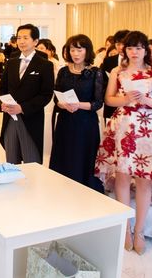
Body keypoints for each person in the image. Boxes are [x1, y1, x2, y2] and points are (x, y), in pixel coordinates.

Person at [95, 31, 152, 254]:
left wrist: (146, 100)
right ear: (124, 50)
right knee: (122, 177)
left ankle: (139, 231)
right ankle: (126, 228)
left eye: (138, 48)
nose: (134, 52)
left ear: (145, 50)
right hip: (123, 127)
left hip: (148, 129)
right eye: (130, 48)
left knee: (144, 181)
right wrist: (126, 99)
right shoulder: (117, 72)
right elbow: (109, 100)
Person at [49, 34, 104, 191]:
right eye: (72, 50)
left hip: (86, 123)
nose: (75, 54)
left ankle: (84, 192)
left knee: (83, 158)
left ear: (87, 51)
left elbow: (97, 103)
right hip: (65, 121)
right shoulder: (63, 71)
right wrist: (62, 104)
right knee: (64, 155)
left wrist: (78, 105)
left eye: (79, 50)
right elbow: (56, 97)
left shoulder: (95, 72)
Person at [0, 24, 54, 164]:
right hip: (10, 118)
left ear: (35, 41)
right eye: (19, 38)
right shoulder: (11, 62)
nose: (21, 41)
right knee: (11, 159)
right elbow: (2, 89)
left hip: (31, 119)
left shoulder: (45, 65)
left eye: (25, 38)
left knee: (31, 160)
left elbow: (46, 94)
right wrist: (2, 103)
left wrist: (22, 108)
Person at [101, 29, 130, 122]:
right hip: (112, 108)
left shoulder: (138, 61)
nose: (121, 47)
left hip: (131, 107)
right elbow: (102, 82)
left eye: (123, 44)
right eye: (118, 44)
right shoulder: (108, 61)